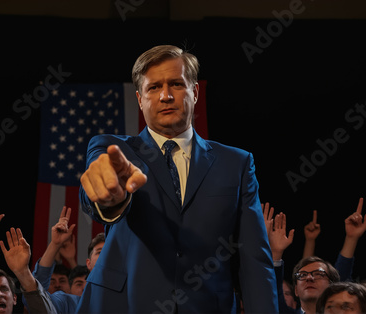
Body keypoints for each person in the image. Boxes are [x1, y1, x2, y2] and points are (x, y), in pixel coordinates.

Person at [78, 44, 278, 313]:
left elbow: (254, 259)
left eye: (176, 84)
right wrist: (112, 198)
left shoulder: (237, 163)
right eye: (153, 87)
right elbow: (98, 190)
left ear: (195, 92)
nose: (165, 96)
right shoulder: (111, 149)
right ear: (140, 99)